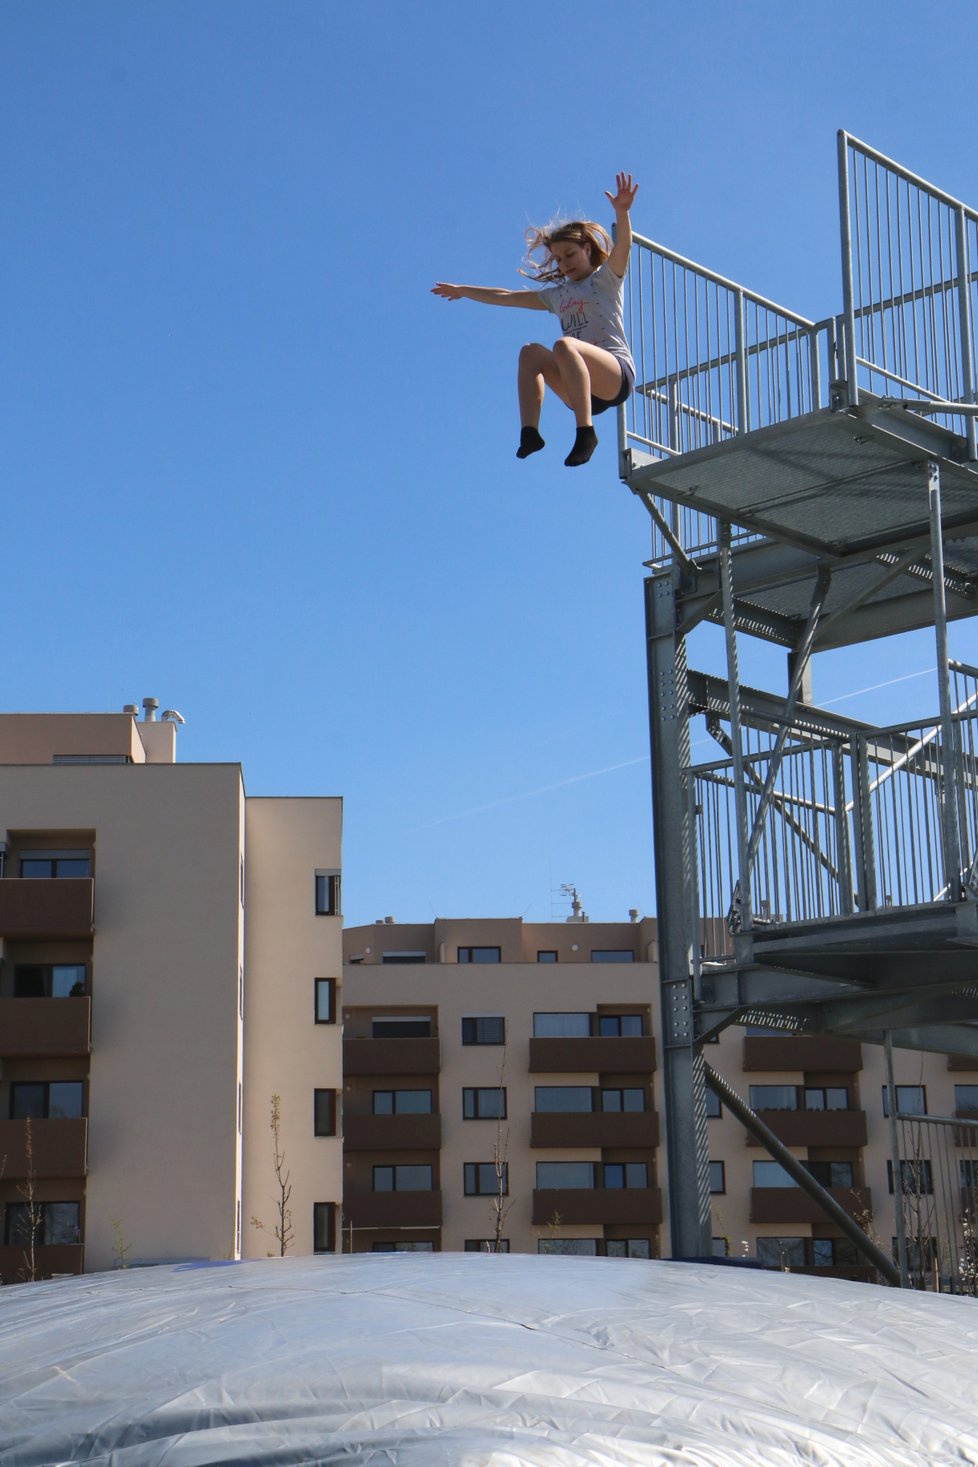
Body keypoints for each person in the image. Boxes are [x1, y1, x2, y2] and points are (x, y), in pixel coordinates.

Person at [433, 172, 638, 467]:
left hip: (614, 376)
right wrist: (463, 291)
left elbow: (624, 248)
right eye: (559, 260)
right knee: (529, 352)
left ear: (587, 250)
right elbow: (507, 296)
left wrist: (622, 212)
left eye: (570, 255)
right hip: (580, 390)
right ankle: (530, 433)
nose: (564, 264)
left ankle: (586, 434)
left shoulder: (605, 280)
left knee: (564, 345)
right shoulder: (558, 296)